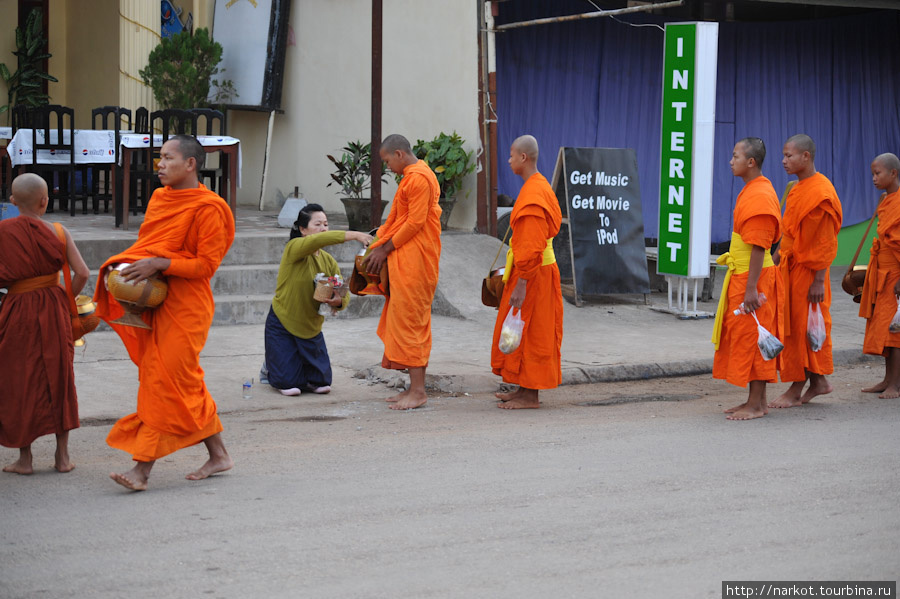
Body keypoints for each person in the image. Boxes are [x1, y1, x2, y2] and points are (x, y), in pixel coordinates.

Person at [93, 134, 235, 491]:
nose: (159, 164)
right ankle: (219, 455)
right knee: (181, 382)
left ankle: (141, 470)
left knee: (165, 382)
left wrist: (160, 263)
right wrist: (133, 268)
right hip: (156, 302)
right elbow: (149, 245)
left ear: (191, 164)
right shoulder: (160, 198)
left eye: (168, 158)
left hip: (187, 306)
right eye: (159, 157)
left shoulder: (210, 207)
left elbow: (205, 266)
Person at [0, 173, 89, 474]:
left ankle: (25, 460)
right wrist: (65, 299)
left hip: (16, 310)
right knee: (59, 374)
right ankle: (62, 458)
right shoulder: (58, 231)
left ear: (12, 202)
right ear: (45, 201)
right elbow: (83, 273)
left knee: (18, 378)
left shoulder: (3, 231)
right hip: (54, 308)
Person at [363, 134, 442, 410]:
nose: (387, 167)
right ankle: (412, 388)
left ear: (399, 154)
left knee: (411, 323)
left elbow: (416, 223)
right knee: (404, 319)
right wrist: (376, 242)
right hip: (406, 259)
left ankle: (419, 392)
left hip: (416, 261)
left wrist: (384, 249)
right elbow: (399, 218)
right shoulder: (411, 177)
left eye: (387, 161)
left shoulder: (419, 178)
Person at [264, 203, 373, 395]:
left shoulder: (328, 260)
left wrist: (337, 301)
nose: (323, 229)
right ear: (302, 229)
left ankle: (284, 362)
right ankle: (269, 367)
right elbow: (319, 241)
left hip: (311, 326)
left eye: (326, 224)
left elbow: (342, 293)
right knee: (289, 386)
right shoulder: (294, 248)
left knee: (322, 383)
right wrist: (355, 235)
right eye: (318, 224)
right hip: (283, 321)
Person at [711, 138, 784, 420]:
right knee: (749, 334)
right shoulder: (752, 190)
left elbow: (758, 245)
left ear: (751, 162)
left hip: (754, 277)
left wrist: (752, 288)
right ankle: (757, 400)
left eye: (735, 156)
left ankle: (755, 404)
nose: (731, 161)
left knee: (755, 335)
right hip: (744, 273)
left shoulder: (760, 194)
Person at [490, 135, 564, 409]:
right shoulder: (538, 186)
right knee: (521, 329)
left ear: (524, 157)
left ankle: (530, 395)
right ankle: (523, 389)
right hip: (530, 271)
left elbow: (532, 247)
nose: (508, 160)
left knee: (531, 331)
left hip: (533, 275)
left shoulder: (534, 194)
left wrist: (521, 284)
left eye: (511, 155)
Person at [770, 134, 843, 408]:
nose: (784, 161)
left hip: (810, 273)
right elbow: (789, 235)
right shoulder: (798, 187)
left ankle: (796, 387)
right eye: (784, 155)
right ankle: (819, 382)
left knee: (803, 328)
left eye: (789, 155)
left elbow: (825, 242)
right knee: (794, 327)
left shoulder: (821, 192)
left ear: (806, 156)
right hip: (790, 266)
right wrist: (774, 262)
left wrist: (819, 280)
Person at [859, 153, 900, 398]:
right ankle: (887, 380)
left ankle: (896, 384)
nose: (874, 178)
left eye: (878, 173)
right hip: (881, 274)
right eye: (873, 173)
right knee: (885, 329)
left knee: (895, 331)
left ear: (893, 173)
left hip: (895, 275)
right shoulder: (887, 199)